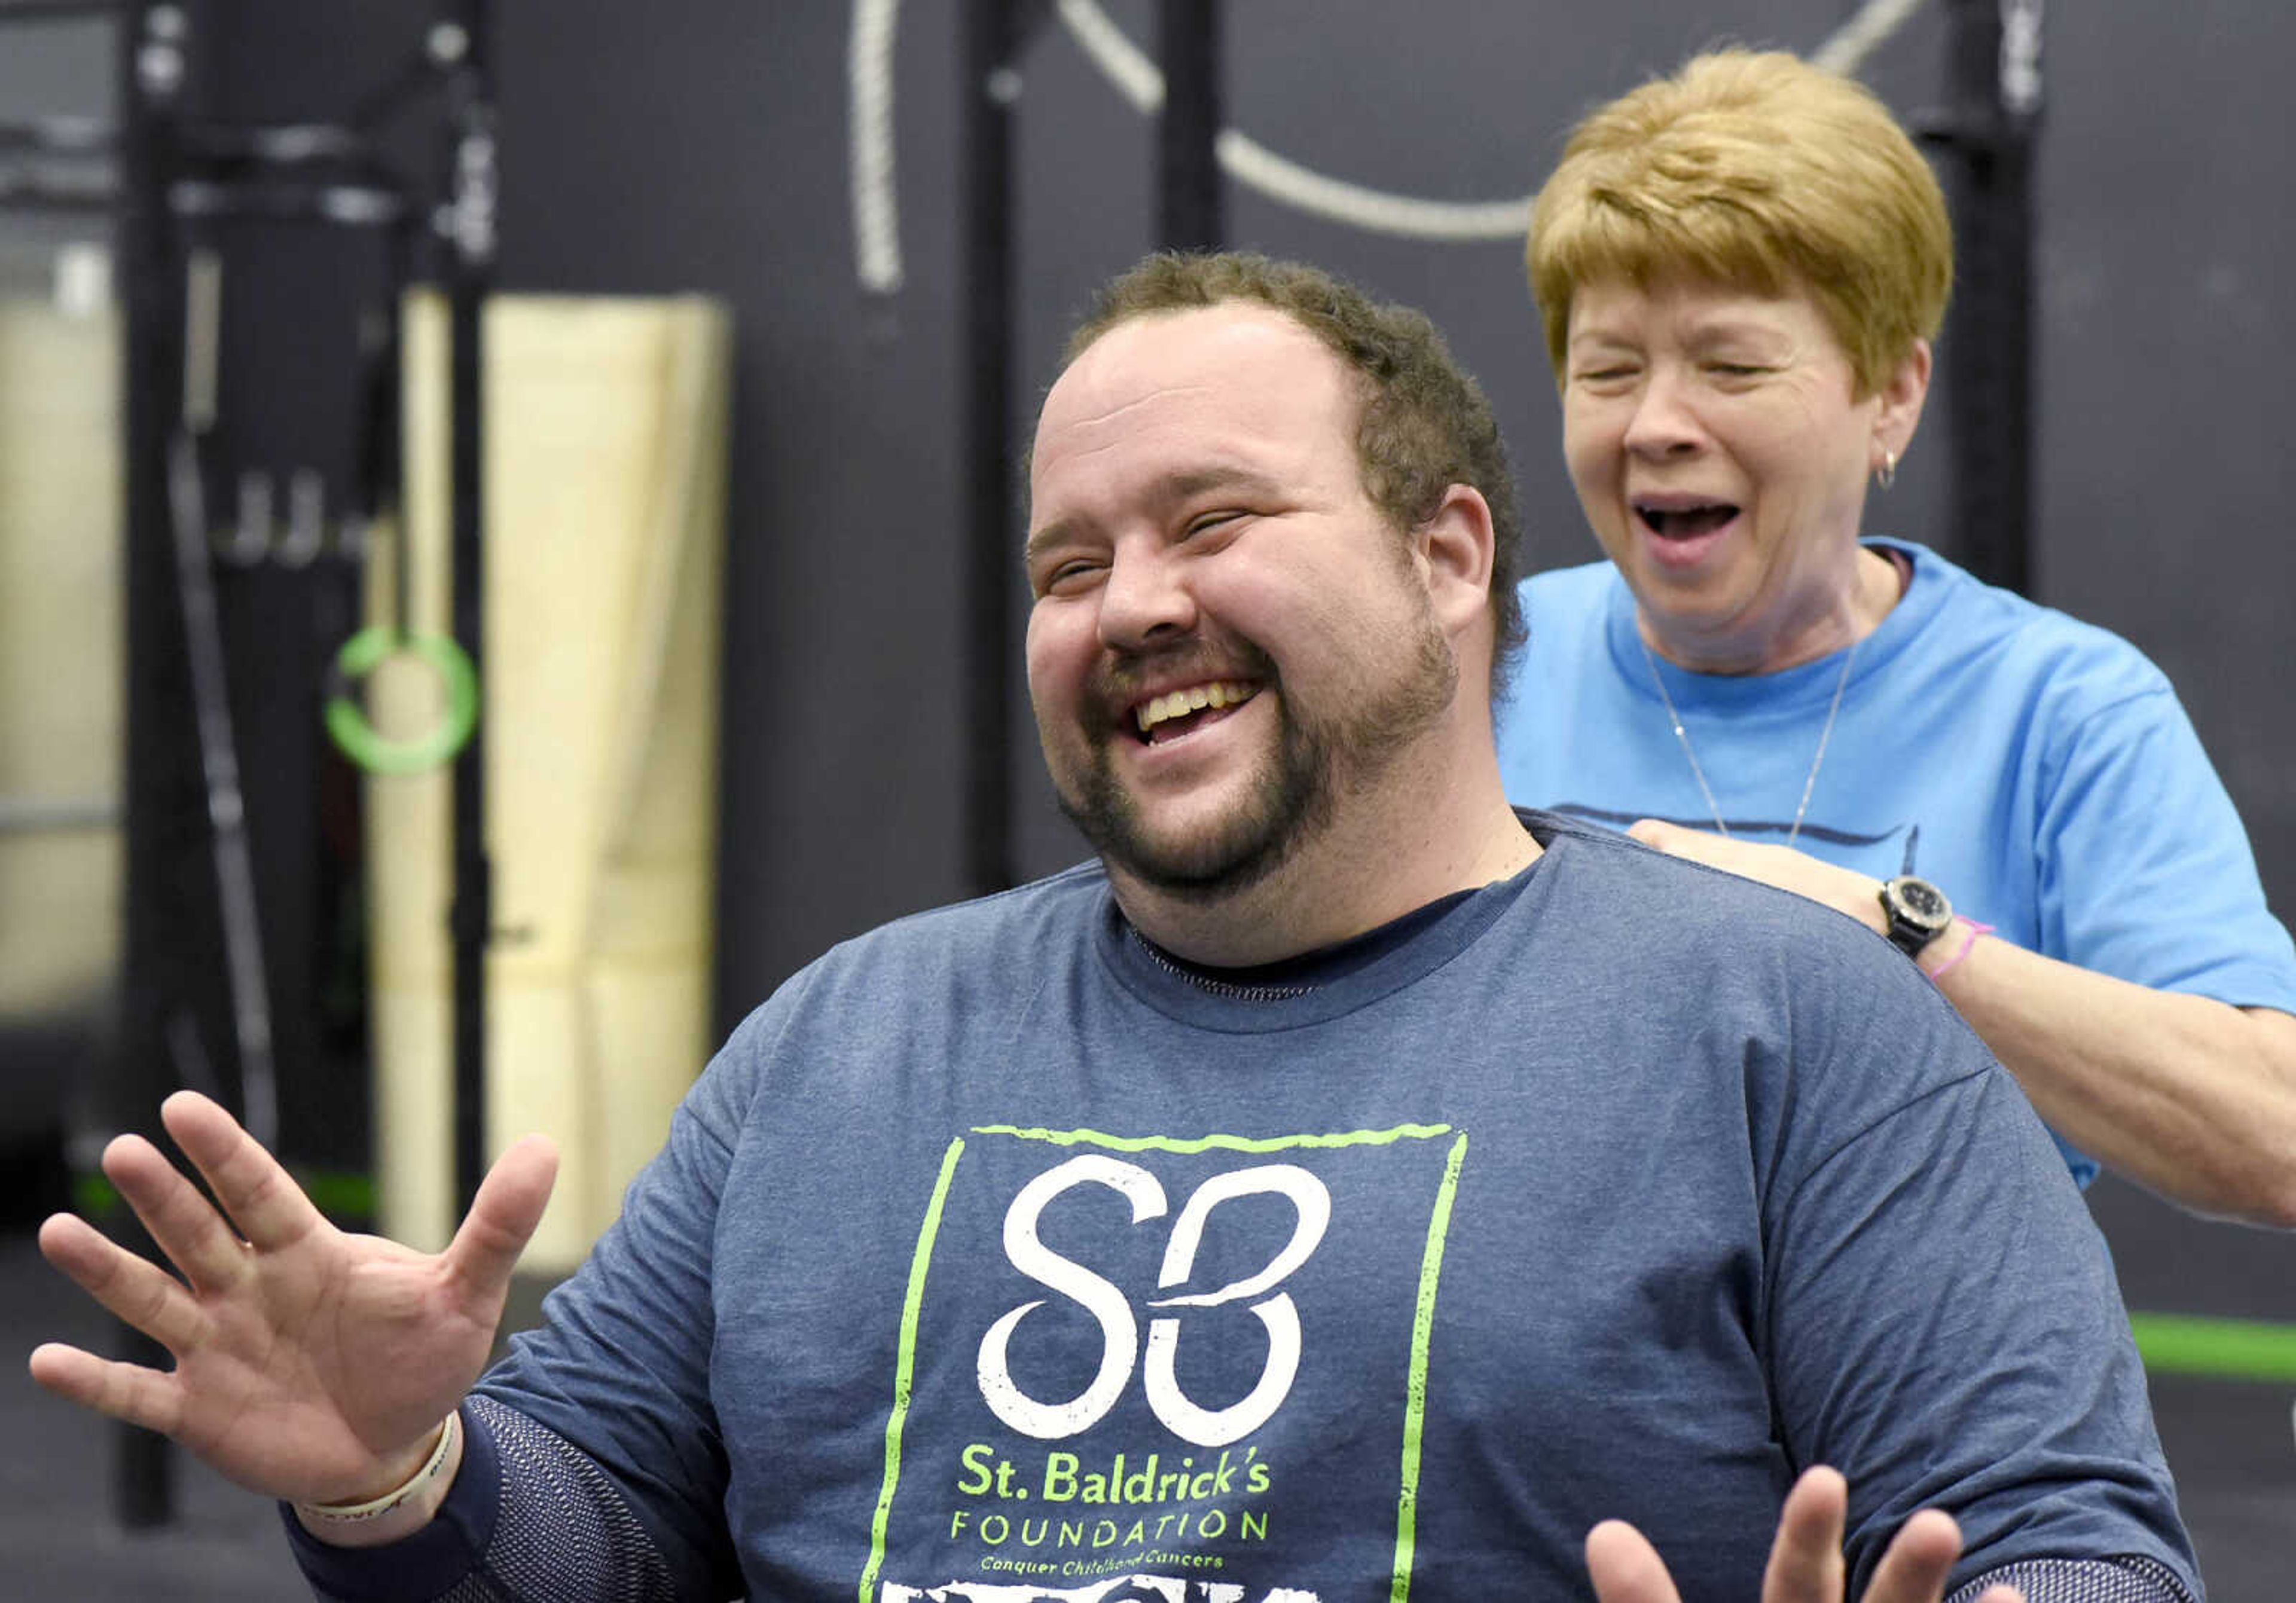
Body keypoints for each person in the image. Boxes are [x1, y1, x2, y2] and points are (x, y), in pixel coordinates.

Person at [31, 252, 2197, 1602]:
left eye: (1214, 523)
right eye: (1069, 564)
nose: (1130, 603)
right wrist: (407, 1480)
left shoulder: (1794, 1027)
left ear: (1453, 556)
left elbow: (2080, 1548)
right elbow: (595, 1532)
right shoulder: (848, 1042)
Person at [1499, 48, 2296, 1226]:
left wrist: (1897, 936)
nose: (1658, 424)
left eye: (1731, 366)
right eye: (1609, 369)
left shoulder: (2061, 709)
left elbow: (2274, 1134)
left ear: (1892, 395)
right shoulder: (1469, 671)